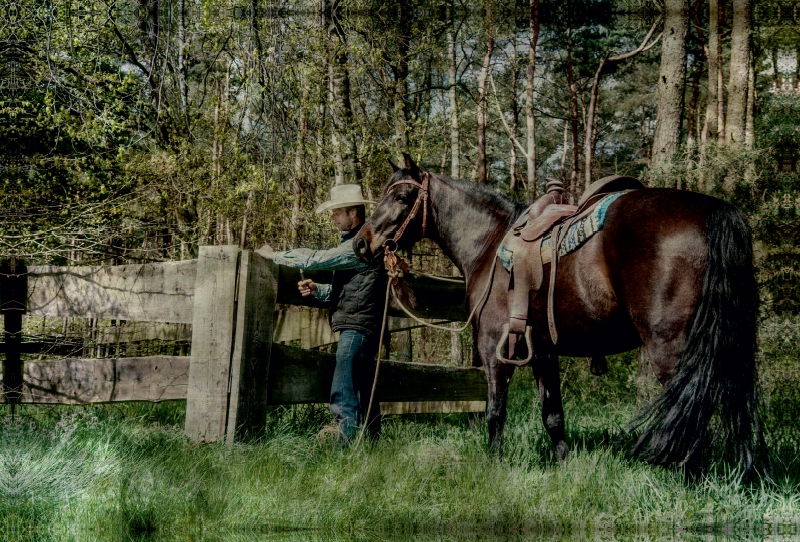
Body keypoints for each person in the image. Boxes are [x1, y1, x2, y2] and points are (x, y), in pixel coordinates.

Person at [258, 184, 385, 443]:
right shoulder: (361, 243)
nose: (333, 218)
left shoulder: (359, 245)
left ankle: (343, 443)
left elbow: (316, 259)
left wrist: (276, 256)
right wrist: (319, 290)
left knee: (345, 388)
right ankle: (371, 445)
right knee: (362, 386)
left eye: (338, 212)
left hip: (356, 327)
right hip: (361, 325)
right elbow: (352, 290)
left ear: (354, 213)